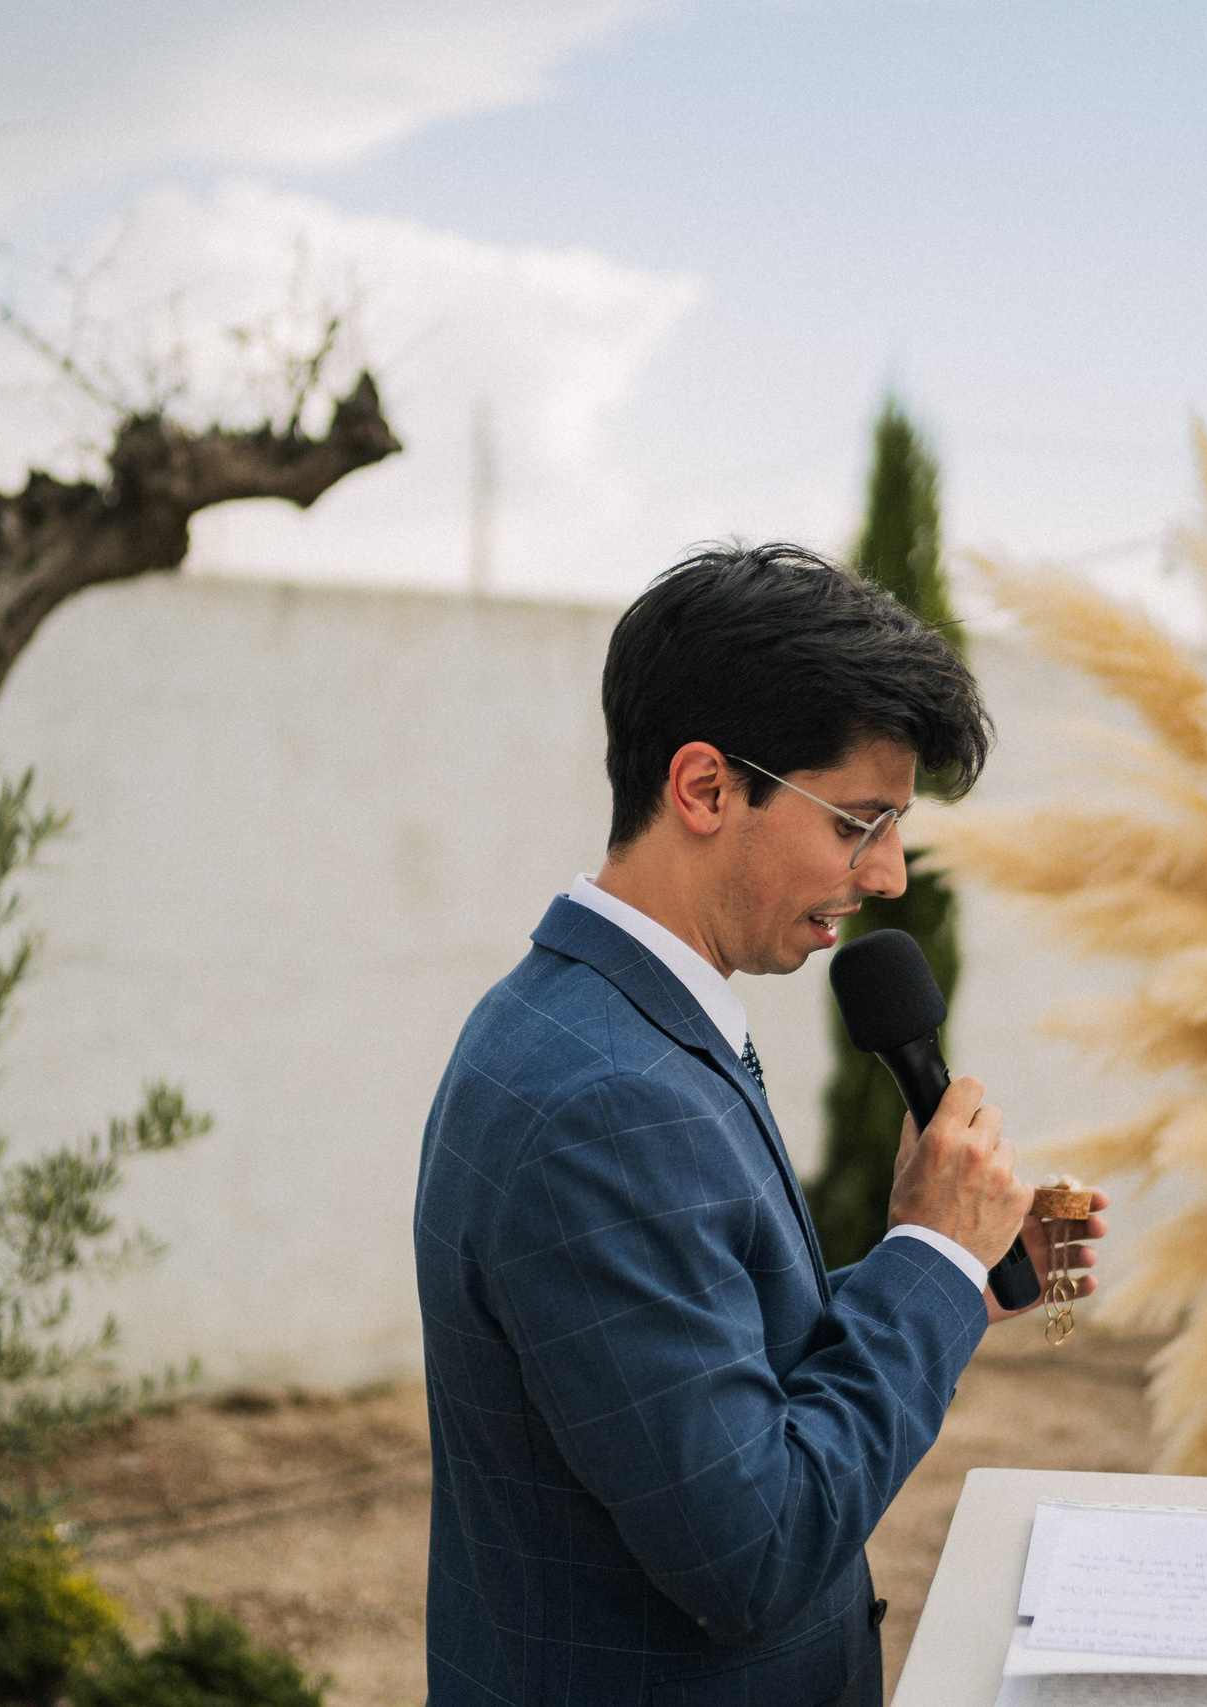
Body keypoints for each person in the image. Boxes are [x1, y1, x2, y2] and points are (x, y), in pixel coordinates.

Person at [415, 542, 1110, 1706]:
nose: (888, 874)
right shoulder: (607, 1100)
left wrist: (945, 1278)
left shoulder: (602, 1021)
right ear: (703, 788)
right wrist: (930, 1257)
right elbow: (756, 1547)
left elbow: (690, 1359)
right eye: (858, 821)